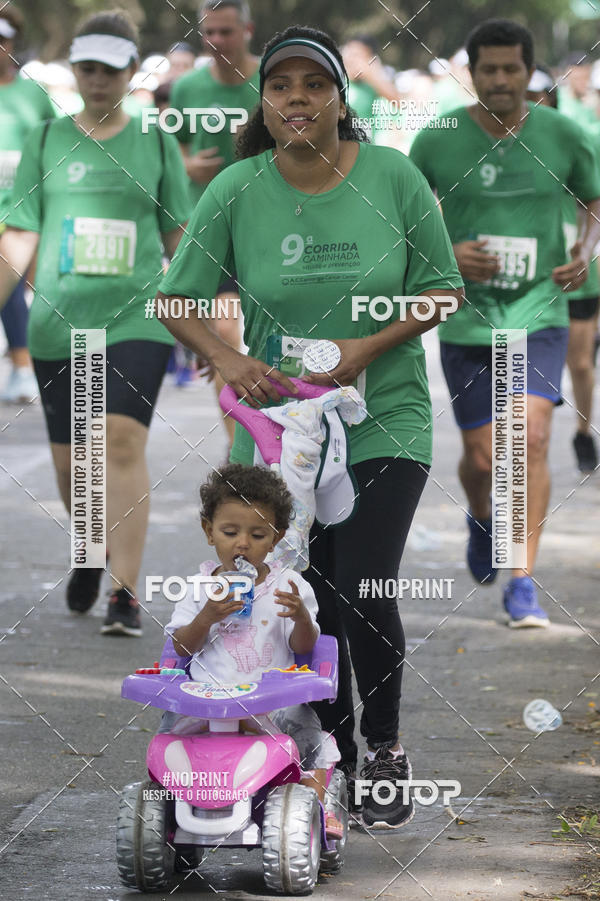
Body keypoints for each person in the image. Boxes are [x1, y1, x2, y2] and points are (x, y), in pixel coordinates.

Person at [155, 25, 463, 829]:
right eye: (281, 85)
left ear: (339, 97)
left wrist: (367, 346)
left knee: (362, 584)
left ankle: (386, 748)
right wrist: (226, 357)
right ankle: (332, 756)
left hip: (382, 415)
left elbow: (443, 289)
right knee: (300, 593)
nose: (297, 98)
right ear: (264, 101)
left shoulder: (393, 177)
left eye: (314, 84)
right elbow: (173, 299)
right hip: (276, 431)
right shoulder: (237, 188)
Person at [0, 10, 190, 635]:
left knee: (120, 441)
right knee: (73, 466)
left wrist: (212, 315)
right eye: (87, 68)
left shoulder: (155, 142)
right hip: (61, 325)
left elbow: (179, 238)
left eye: (110, 69)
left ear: (132, 70)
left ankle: (124, 592)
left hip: (138, 316)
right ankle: (90, 547)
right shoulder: (47, 140)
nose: (98, 79)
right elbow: (20, 234)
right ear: (74, 70)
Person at [410, 19, 600, 626]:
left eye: (510, 69)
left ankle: (522, 578)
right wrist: (446, 254)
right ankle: (482, 514)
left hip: (538, 312)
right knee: (485, 458)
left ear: (529, 71)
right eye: (488, 69)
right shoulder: (438, 139)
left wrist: (585, 251)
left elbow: (593, 197)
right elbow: (405, 216)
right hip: (468, 320)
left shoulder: (563, 134)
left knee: (532, 439)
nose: (499, 80)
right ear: (471, 73)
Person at [162, 463, 344, 839]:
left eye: (257, 534)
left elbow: (304, 647)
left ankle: (316, 808)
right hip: (207, 703)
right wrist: (206, 617)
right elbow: (180, 646)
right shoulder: (197, 587)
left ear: (276, 538)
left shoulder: (289, 585)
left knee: (310, 736)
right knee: (168, 738)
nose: (242, 544)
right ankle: (165, 809)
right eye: (230, 532)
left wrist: (300, 617)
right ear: (209, 531)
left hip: (272, 704)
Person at [170, 0, 260, 447]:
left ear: (248, 30)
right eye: (209, 33)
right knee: (224, 333)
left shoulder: (272, 80)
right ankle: (238, 442)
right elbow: (171, 150)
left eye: (227, 31)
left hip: (268, 227)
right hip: (211, 229)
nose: (217, 41)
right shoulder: (187, 88)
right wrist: (187, 166)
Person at [526, 66, 600, 472]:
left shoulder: (575, 140)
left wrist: (584, 249)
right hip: (527, 280)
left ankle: (583, 432)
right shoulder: (497, 149)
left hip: (575, 273)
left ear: (552, 99)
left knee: (581, 363)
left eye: (538, 96)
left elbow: (595, 201)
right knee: (533, 372)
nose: (531, 104)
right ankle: (535, 438)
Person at [0, 7, 55, 404]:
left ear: (12, 42)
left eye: (1, 40)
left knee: (11, 284)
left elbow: (55, 144)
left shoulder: (34, 93)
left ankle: (22, 367)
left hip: (19, 210)